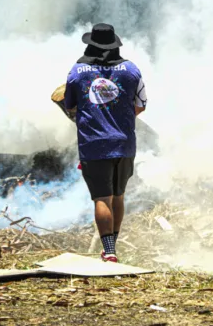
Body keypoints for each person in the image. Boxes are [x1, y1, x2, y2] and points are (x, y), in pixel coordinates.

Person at [63, 23, 147, 263]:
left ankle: (109, 251)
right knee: (118, 196)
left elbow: (69, 104)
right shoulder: (131, 70)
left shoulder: (77, 72)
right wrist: (121, 120)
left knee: (102, 198)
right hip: (124, 144)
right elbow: (141, 103)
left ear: (90, 45)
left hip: (94, 145)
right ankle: (111, 247)